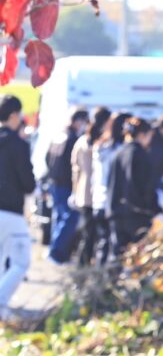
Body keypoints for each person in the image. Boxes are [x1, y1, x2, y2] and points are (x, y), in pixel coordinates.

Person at [0, 96, 36, 321]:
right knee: (21, 261)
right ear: (14, 116)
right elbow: (28, 183)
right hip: (11, 211)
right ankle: (1, 303)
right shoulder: (19, 145)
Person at [107, 117, 158, 258]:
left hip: (116, 211)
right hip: (137, 213)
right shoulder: (140, 154)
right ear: (142, 135)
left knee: (118, 253)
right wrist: (153, 208)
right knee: (138, 255)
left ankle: (112, 279)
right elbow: (143, 185)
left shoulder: (118, 153)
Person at [45, 108, 89, 264]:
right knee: (70, 218)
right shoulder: (72, 139)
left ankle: (55, 250)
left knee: (59, 217)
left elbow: (47, 157)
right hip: (65, 185)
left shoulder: (59, 136)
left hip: (54, 183)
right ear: (78, 121)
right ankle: (57, 252)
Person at [70, 107, 112, 266]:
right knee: (94, 236)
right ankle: (85, 266)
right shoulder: (104, 143)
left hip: (83, 191)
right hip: (96, 194)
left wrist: (74, 191)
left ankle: (82, 265)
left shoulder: (82, 141)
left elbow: (75, 168)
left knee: (87, 234)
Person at [92, 111, 130, 265]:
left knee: (102, 243)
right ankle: (107, 280)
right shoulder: (122, 151)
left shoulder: (101, 147)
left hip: (98, 200)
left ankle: (98, 277)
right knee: (114, 246)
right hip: (113, 203)